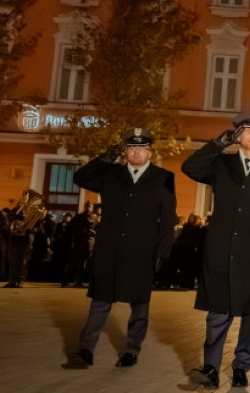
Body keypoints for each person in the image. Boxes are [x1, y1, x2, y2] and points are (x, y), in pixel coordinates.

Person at [182, 110, 250, 389]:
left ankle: (242, 367)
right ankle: (211, 368)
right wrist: (219, 143)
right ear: (238, 135)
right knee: (218, 311)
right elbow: (190, 168)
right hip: (219, 251)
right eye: (246, 131)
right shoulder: (222, 164)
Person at [63, 128, 177, 369]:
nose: (136, 153)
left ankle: (132, 350)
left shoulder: (164, 177)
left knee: (139, 305)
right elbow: (80, 178)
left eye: (141, 149)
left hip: (142, 252)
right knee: (100, 301)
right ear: (125, 152)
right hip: (109, 250)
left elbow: (168, 219)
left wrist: (164, 252)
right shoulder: (111, 174)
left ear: (150, 152)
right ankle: (85, 351)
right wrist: (107, 156)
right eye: (131, 149)